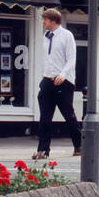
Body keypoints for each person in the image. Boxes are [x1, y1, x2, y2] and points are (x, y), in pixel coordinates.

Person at [34, 8, 81, 159]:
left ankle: (79, 146)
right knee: (45, 118)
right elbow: (47, 59)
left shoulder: (67, 36)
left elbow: (72, 59)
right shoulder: (46, 36)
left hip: (63, 82)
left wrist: (63, 75)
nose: (44, 22)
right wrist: (44, 78)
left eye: (45, 20)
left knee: (69, 115)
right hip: (48, 80)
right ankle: (43, 150)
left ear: (53, 21)